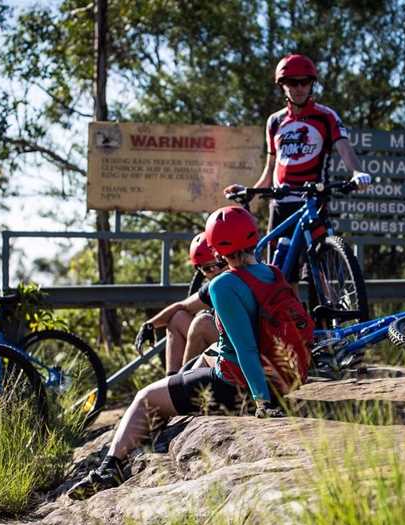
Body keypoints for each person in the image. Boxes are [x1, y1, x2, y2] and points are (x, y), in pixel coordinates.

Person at [67, 206, 289, 500]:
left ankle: (110, 469)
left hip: (238, 387)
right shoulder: (272, 273)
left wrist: (263, 402)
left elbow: (246, 348)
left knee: (145, 396)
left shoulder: (224, 285)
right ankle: (152, 425)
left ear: (216, 247)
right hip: (280, 378)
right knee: (197, 364)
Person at [224, 53, 371, 273]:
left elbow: (344, 148)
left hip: (312, 201)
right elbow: (272, 167)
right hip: (281, 204)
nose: (299, 87)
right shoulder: (275, 121)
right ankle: (288, 308)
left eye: (305, 82)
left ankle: (322, 305)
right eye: (292, 82)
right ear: (282, 86)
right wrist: (250, 190)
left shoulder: (326, 116)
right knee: (282, 273)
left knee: (317, 267)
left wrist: (357, 172)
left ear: (312, 84)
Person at [133, 233, 226, 374]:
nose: (215, 271)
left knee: (202, 322)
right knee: (178, 318)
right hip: (222, 341)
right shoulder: (213, 286)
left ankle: (181, 385)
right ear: (200, 271)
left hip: (243, 348)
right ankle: (172, 378)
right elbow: (181, 306)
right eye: (207, 268)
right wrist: (149, 325)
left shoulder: (237, 275)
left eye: (219, 264)